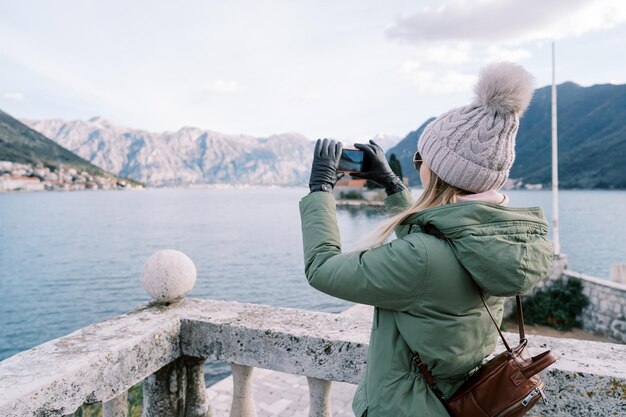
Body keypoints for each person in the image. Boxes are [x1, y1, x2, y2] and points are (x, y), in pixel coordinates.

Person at [299, 62, 554, 417]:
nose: (419, 165)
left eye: (422, 158)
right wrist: (393, 186)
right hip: (448, 401)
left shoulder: (421, 260)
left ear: (438, 171)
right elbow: (439, 235)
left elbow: (322, 268)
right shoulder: (496, 239)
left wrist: (320, 191)